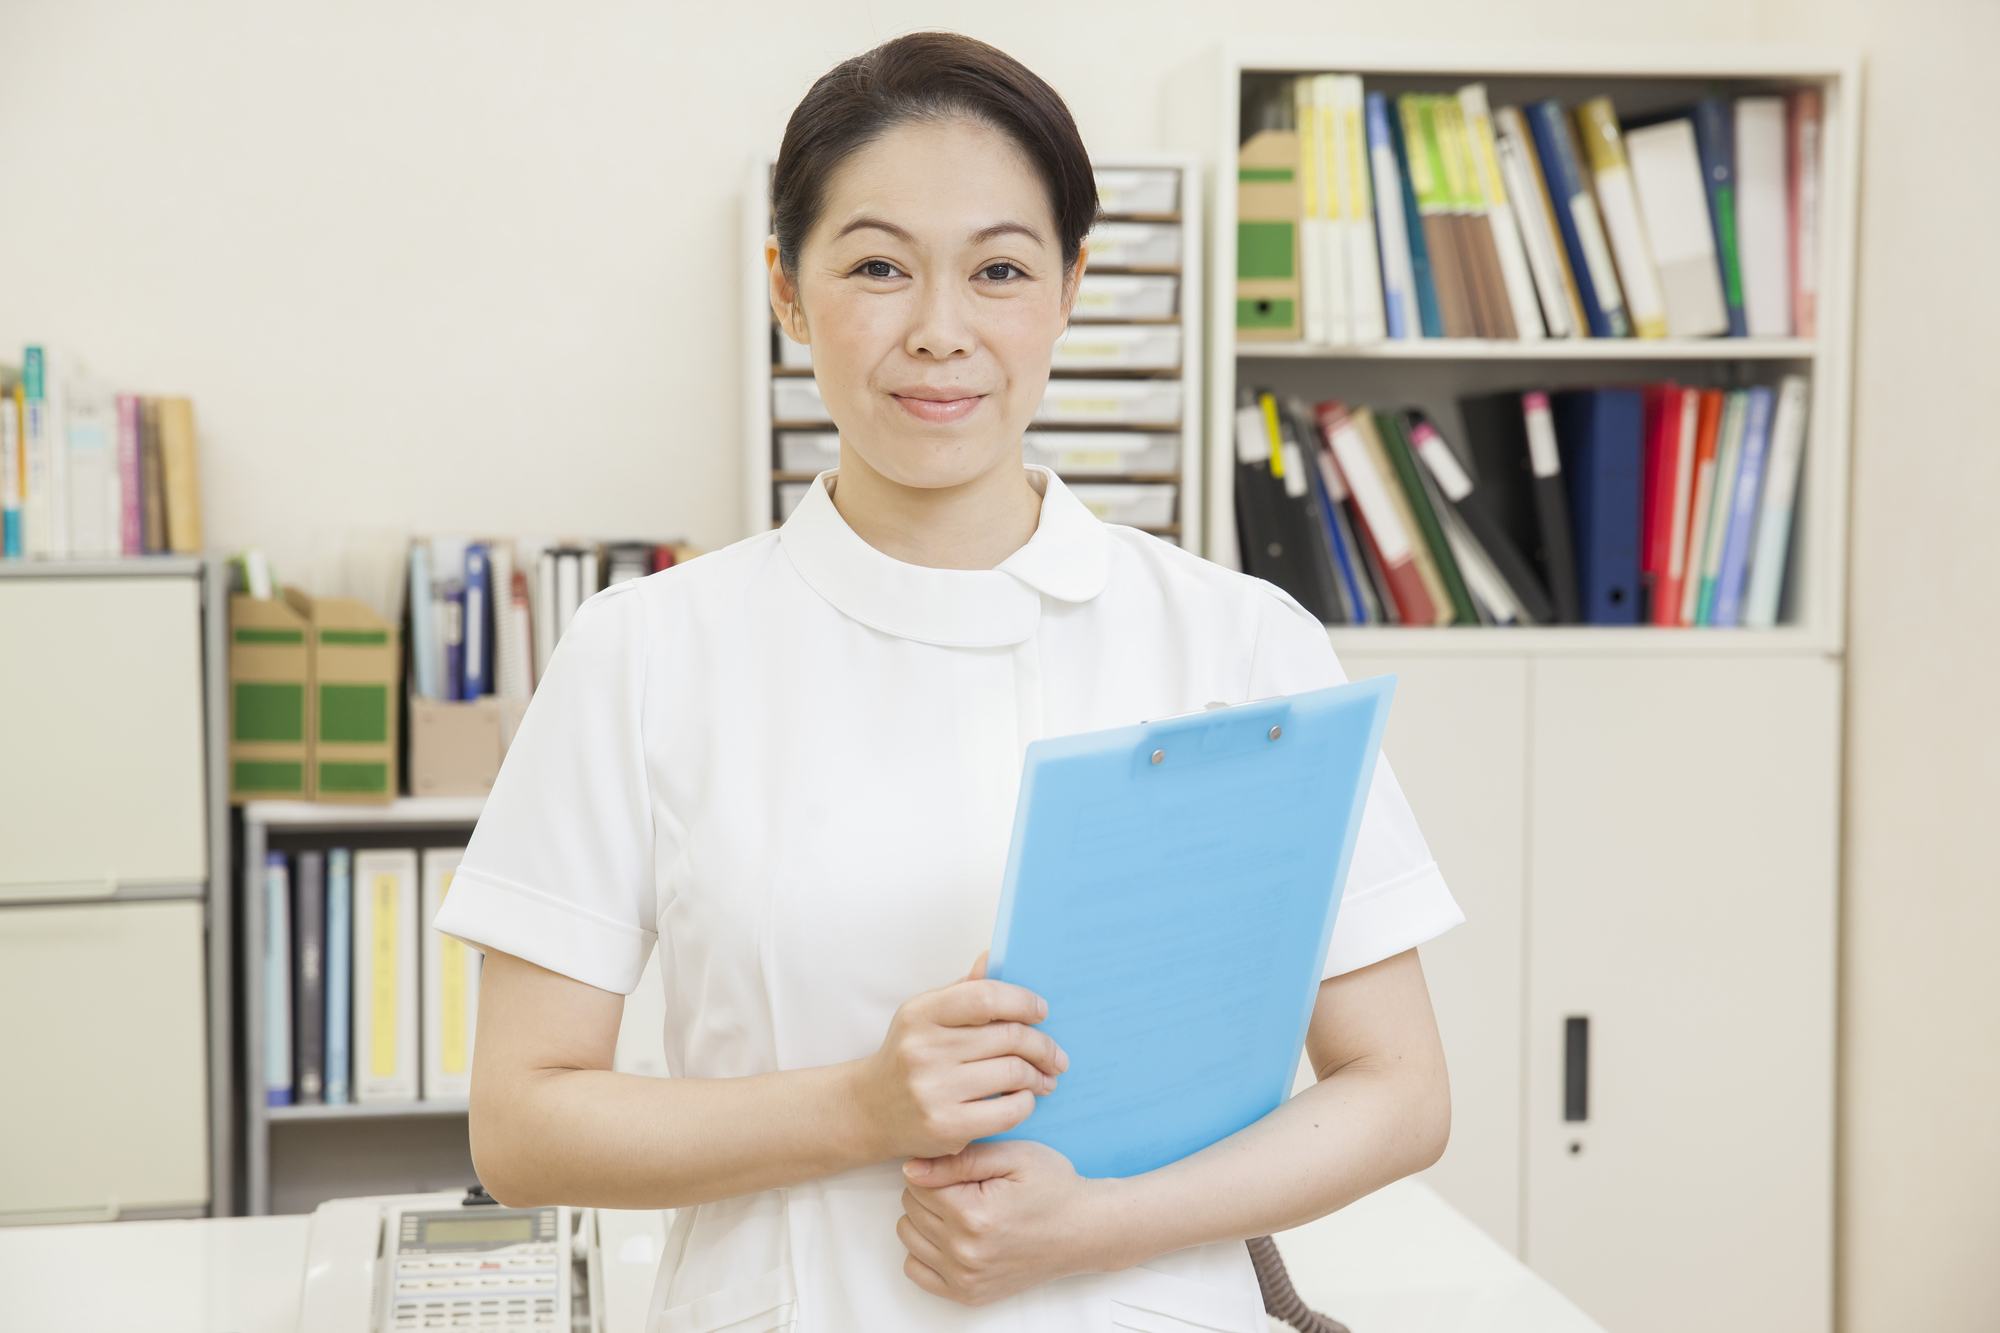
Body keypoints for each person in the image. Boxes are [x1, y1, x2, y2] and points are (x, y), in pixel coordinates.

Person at [439, 31, 1462, 1333]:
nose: (940, 332)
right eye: (876, 266)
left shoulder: (1235, 639)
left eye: (998, 270)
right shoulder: (646, 649)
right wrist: (859, 1106)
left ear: (1071, 288)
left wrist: (1095, 1227)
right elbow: (525, 1122)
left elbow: (1399, 1087)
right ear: (789, 291)